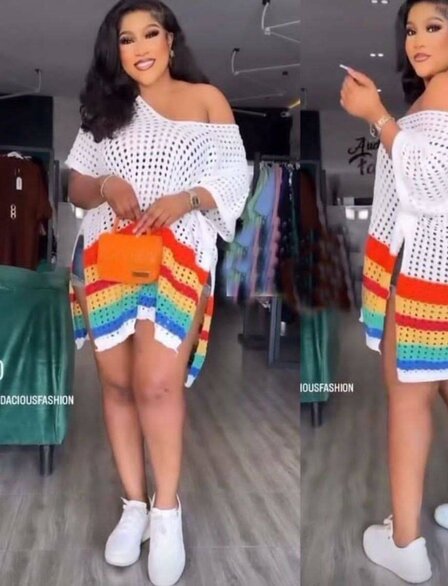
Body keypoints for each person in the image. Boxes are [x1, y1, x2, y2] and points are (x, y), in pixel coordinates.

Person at [65, 1, 249, 585]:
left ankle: (167, 512)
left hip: (179, 257)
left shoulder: (206, 99)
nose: (140, 47)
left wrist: (186, 199)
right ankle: (134, 507)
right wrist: (105, 185)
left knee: (157, 383)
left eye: (151, 34)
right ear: (115, 50)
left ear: (171, 41)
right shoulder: (104, 111)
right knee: (117, 384)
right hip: (107, 258)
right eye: (127, 39)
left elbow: (234, 178)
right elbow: (74, 185)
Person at [340, 0, 448, 583]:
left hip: (431, 273)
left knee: (408, 397)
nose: (417, 39)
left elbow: (431, 184)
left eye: (433, 27)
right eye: (411, 29)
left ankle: (405, 542)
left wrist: (378, 117)